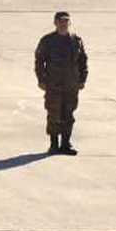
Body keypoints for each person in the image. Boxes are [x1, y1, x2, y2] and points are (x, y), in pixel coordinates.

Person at [34, 11, 87, 156]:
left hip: (71, 84)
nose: (64, 24)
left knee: (68, 114)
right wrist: (41, 80)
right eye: (61, 21)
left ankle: (66, 143)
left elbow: (83, 61)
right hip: (54, 84)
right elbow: (39, 61)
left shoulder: (76, 40)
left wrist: (82, 79)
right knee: (54, 113)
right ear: (55, 23)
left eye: (66, 21)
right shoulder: (48, 40)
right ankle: (53, 144)